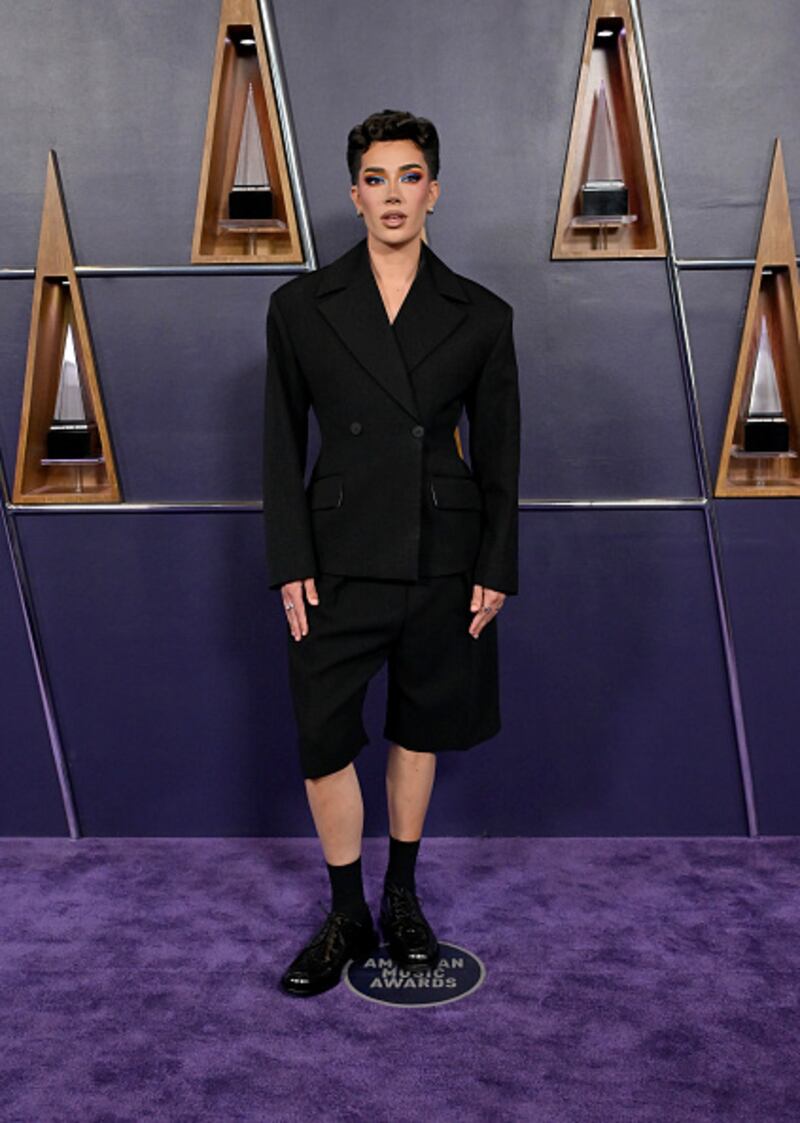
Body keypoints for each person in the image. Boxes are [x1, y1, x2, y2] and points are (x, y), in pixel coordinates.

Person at [263, 108, 520, 997]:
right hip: (334, 557)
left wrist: (495, 565)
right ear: (354, 195)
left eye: (410, 177)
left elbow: (501, 455)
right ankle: (347, 912)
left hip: (441, 553)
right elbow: (278, 444)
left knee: (419, 727)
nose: (393, 195)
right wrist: (289, 559)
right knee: (324, 737)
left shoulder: (482, 315)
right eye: (376, 179)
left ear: (433, 191)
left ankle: (401, 894)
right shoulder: (299, 307)